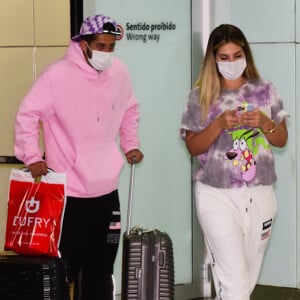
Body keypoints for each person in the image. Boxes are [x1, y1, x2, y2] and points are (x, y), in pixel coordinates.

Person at [14, 14, 143, 300]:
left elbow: (130, 108)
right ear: (83, 44)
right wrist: (32, 155)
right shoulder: (56, 76)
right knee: (64, 268)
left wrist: (130, 143)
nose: (106, 53)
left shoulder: (120, 73)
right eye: (100, 45)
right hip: (67, 193)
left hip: (106, 190)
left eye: (111, 47)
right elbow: (27, 115)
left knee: (101, 268)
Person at [180, 24, 288, 300]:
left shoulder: (265, 90)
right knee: (236, 284)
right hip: (216, 196)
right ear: (213, 60)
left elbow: (281, 140)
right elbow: (193, 146)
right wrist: (217, 125)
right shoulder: (199, 96)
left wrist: (266, 123)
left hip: (260, 195)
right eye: (224, 57)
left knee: (244, 282)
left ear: (246, 55)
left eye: (237, 55)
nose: (231, 63)